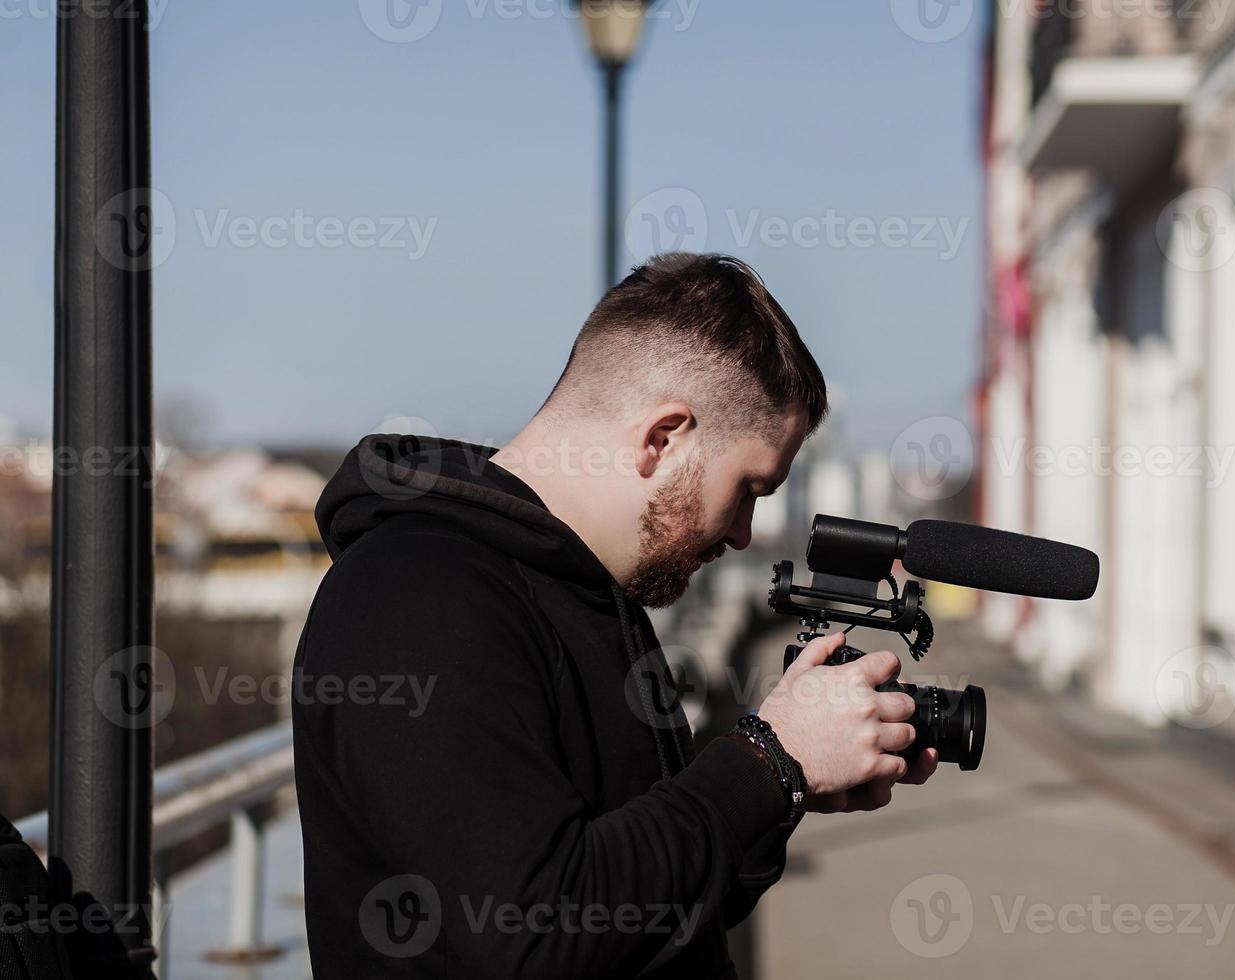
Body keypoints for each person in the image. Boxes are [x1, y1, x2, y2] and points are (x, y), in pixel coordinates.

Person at [292, 252, 938, 978]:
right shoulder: (412, 598)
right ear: (663, 438)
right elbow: (536, 934)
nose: (743, 535)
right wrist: (767, 760)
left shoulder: (592, 594)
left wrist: (786, 791)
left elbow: (642, 915)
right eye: (749, 488)